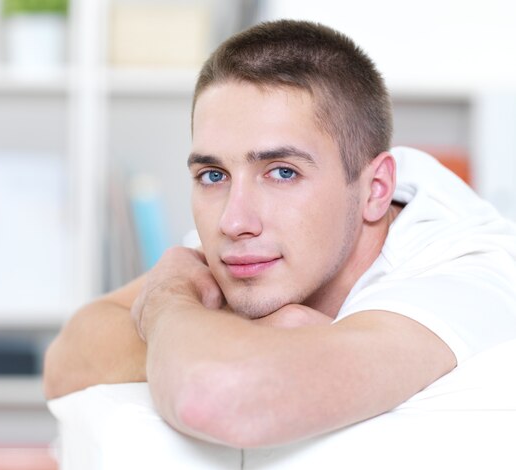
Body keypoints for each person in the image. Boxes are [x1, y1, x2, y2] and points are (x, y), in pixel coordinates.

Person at [43, 19, 516, 448]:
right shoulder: (272, 237)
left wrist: (168, 300)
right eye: (213, 175)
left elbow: (215, 399)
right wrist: (257, 329)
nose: (233, 221)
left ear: (375, 190)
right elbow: (67, 359)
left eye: (282, 172)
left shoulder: (468, 272)